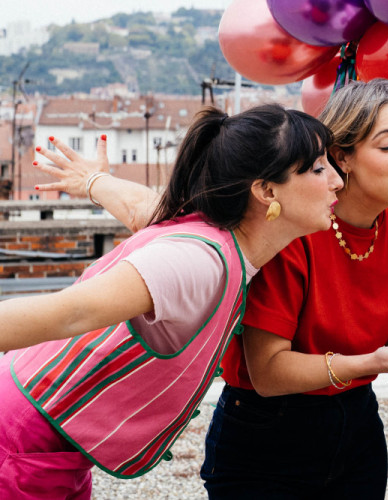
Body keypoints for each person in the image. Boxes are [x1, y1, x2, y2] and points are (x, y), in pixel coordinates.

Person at [35, 80, 388, 498]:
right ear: (342, 156)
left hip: (358, 427)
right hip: (267, 431)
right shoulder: (293, 227)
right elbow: (268, 373)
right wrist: (368, 363)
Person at [0, 104, 342, 498]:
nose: (336, 180)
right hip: (21, 439)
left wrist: (94, 180)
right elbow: (72, 312)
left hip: (47, 434)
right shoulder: (199, 262)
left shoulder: (209, 231)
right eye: (319, 168)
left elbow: (140, 206)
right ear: (266, 191)